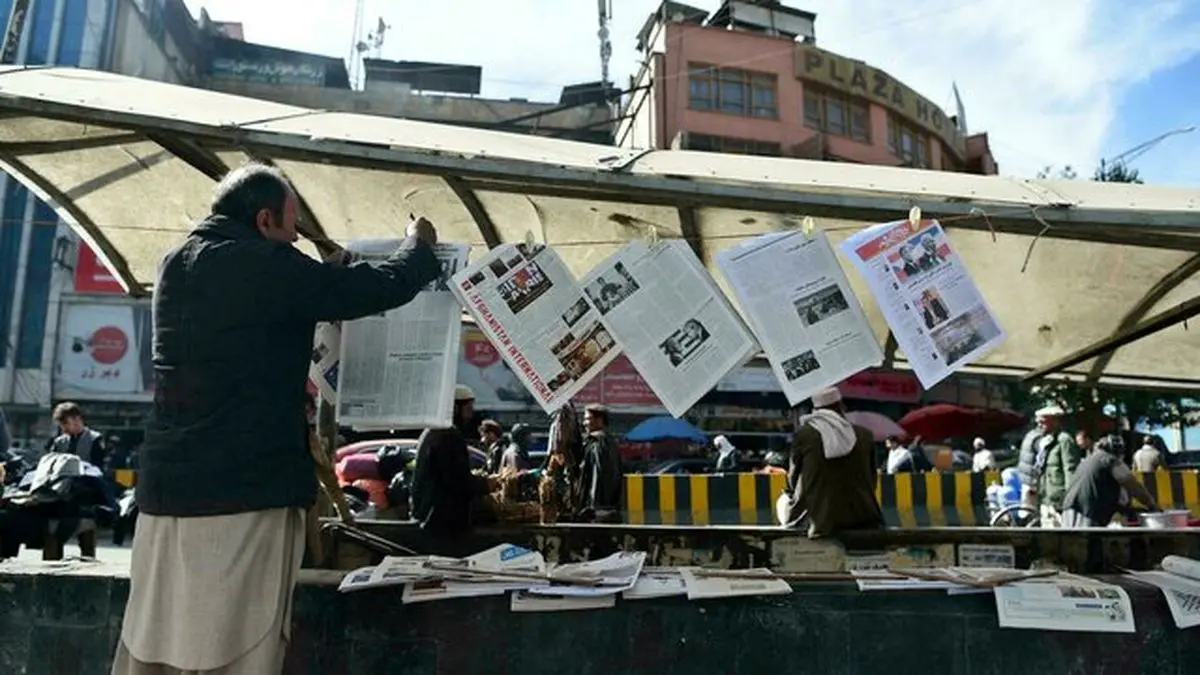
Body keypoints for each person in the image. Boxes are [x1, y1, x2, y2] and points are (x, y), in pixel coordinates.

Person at [111, 164, 443, 675]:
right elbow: (376, 288)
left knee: (158, 638)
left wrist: (319, 275)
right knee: (240, 641)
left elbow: (257, 315)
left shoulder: (177, 261)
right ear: (264, 219)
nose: (293, 242)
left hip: (167, 491)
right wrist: (418, 249)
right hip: (242, 489)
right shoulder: (263, 265)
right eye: (291, 230)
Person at [778, 388, 884, 538]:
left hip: (818, 519)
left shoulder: (804, 435)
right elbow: (872, 480)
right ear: (841, 406)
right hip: (864, 515)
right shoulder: (864, 435)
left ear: (815, 409)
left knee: (783, 501)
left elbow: (793, 479)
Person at [411, 386, 497, 543]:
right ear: (455, 408)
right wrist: (487, 484)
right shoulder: (448, 435)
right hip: (441, 520)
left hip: (430, 515)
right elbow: (458, 481)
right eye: (468, 409)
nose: (470, 415)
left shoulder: (432, 431)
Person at [1061, 434, 1158, 527]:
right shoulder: (1109, 460)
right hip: (1088, 511)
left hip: (1068, 508)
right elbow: (1132, 485)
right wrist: (1151, 504)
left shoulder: (1088, 460)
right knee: (1090, 541)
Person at [1017, 405, 1081, 528]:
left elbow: (1070, 469)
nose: (1039, 425)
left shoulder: (1064, 440)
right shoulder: (1048, 440)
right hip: (1046, 497)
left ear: (1054, 421)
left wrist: (1069, 498)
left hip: (1058, 499)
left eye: (1043, 422)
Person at [578, 404, 621, 522]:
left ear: (599, 420)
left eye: (587, 419)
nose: (584, 423)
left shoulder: (597, 443)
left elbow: (599, 475)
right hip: (608, 507)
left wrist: (593, 506)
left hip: (597, 511)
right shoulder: (610, 441)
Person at [48, 402, 106, 468]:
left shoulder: (95, 439)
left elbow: (98, 466)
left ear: (77, 419)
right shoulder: (59, 442)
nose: (63, 428)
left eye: (65, 423)